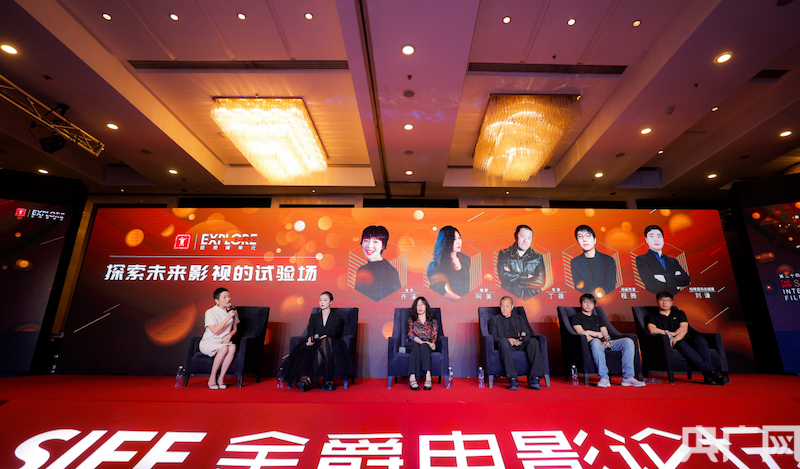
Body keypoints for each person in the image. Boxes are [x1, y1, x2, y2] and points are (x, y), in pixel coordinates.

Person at [644, 291, 726, 385]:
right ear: (657, 301)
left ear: (672, 302)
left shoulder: (679, 313)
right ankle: (711, 373)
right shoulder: (652, 316)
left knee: (700, 339)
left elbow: (684, 328)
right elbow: (652, 330)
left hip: (682, 338)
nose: (664, 302)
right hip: (670, 341)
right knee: (682, 344)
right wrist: (670, 333)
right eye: (661, 300)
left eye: (667, 300)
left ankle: (708, 375)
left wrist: (676, 338)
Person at [279, 292, 355, 391]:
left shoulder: (337, 317)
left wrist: (324, 336)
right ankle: (325, 380)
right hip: (315, 342)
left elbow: (335, 332)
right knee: (308, 347)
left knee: (326, 342)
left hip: (332, 343)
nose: (322, 302)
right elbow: (310, 330)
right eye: (320, 300)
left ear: (330, 302)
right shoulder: (314, 317)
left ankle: (310, 379)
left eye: (325, 300)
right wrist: (310, 339)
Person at [569, 294, 645, 388]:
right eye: (585, 302)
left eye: (591, 302)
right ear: (581, 304)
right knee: (595, 342)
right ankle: (604, 378)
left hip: (604, 342)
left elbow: (605, 334)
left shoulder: (598, 318)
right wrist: (597, 335)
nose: (588, 305)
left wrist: (604, 340)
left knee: (628, 341)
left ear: (594, 305)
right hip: (591, 343)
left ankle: (628, 377)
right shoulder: (576, 317)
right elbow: (582, 333)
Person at [487, 296, 544, 390]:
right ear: (500, 306)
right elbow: (493, 337)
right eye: (502, 306)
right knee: (503, 342)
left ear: (512, 307)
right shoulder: (494, 320)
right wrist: (508, 340)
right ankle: (512, 379)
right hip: (505, 346)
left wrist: (521, 341)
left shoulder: (519, 319)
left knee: (533, 342)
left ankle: (535, 378)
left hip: (519, 344)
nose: (504, 309)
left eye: (507, 306)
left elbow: (527, 333)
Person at [199, 287, 239, 389]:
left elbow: (235, 329)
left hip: (223, 342)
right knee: (224, 348)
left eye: (229, 296)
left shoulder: (232, 311)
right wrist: (228, 317)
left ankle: (221, 378)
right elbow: (215, 331)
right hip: (209, 342)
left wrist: (229, 335)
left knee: (232, 347)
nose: (228, 299)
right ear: (217, 300)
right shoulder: (210, 312)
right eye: (224, 297)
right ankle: (212, 378)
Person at [635, 225, 690, 295]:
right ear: (646, 240)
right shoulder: (642, 259)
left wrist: (664, 278)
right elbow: (650, 284)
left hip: (676, 298)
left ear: (663, 239)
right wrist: (675, 283)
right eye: (651, 236)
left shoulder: (672, 260)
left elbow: (686, 280)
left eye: (659, 236)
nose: (656, 239)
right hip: (654, 298)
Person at [497, 225, 546, 299]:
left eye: (529, 238)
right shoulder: (504, 254)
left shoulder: (537, 257)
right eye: (522, 236)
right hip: (511, 298)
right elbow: (504, 276)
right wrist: (527, 277)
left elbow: (540, 282)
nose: (525, 240)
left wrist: (513, 276)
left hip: (533, 298)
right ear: (515, 236)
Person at [354, 225, 402, 302]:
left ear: (383, 246)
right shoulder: (361, 270)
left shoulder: (390, 271)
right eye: (366, 240)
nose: (369, 246)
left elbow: (395, 300)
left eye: (375, 242)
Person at [570, 225, 617, 298]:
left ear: (595, 240)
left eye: (587, 236)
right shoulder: (575, 262)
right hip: (585, 301)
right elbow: (579, 288)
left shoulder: (608, 260)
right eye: (580, 236)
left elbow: (610, 287)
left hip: (606, 300)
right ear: (578, 242)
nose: (584, 239)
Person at [427, 226, 470, 301]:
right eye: (454, 239)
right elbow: (439, 290)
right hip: (446, 304)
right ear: (446, 241)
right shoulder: (436, 265)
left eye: (459, 238)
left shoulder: (465, 258)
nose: (458, 242)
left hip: (465, 304)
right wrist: (461, 300)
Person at [406, 296, 439, 391]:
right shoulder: (411, 320)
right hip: (413, 343)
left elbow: (434, 337)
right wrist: (423, 342)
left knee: (424, 346)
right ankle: (412, 377)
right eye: (417, 305)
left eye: (422, 304)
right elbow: (411, 335)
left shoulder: (433, 322)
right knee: (417, 347)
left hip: (426, 346)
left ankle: (428, 376)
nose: (419, 307)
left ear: (426, 306)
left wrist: (433, 344)